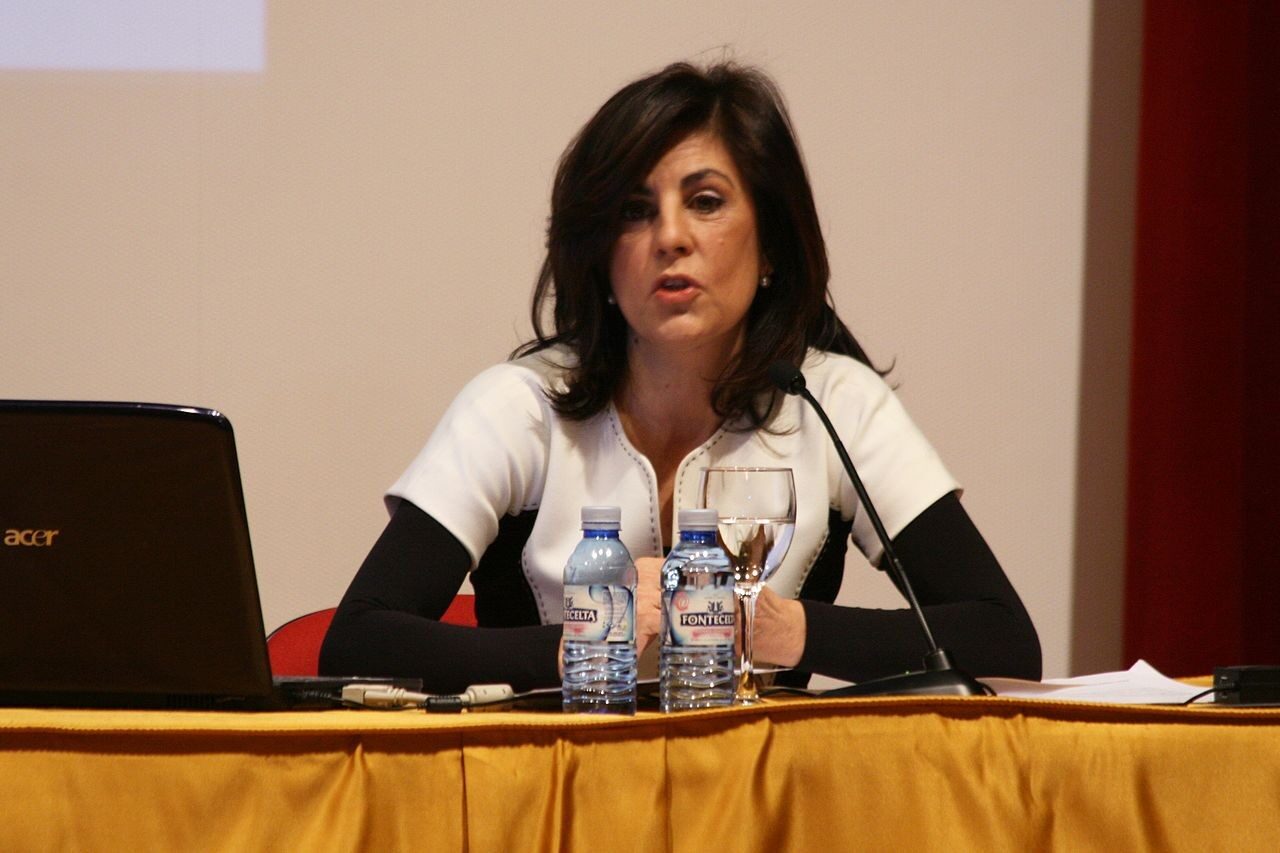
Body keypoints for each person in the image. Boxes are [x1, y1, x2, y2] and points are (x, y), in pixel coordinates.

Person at [319, 61, 1041, 693]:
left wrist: (781, 629)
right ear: (602, 257)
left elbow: (1004, 638)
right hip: (549, 783)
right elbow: (356, 640)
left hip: (755, 788)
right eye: (636, 212)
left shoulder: (835, 403)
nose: (670, 237)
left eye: (706, 202)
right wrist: (580, 642)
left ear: (771, 245)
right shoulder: (520, 407)